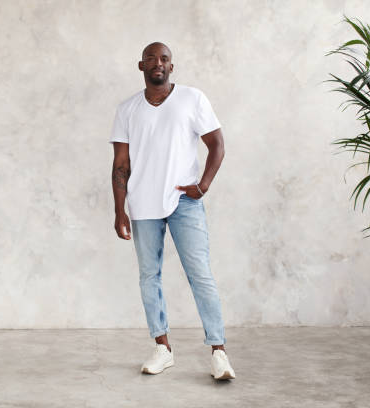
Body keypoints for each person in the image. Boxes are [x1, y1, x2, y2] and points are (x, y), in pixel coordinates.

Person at [109, 42, 236, 380]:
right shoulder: (127, 109)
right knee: (149, 276)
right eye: (151, 58)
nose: (158, 63)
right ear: (141, 66)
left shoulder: (192, 99)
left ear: (172, 66)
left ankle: (219, 351)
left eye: (164, 58)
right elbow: (121, 164)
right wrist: (119, 210)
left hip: (184, 201)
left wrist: (203, 185)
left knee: (200, 273)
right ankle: (162, 347)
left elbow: (217, 144)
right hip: (142, 204)